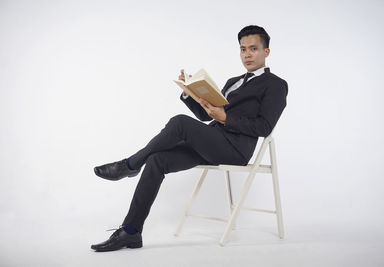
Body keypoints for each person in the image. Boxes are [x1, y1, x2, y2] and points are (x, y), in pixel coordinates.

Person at [90, 25, 288, 252]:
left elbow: (264, 126)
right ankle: (131, 231)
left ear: (267, 52)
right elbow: (206, 116)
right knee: (157, 160)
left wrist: (225, 118)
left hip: (235, 150)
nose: (247, 54)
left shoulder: (276, 85)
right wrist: (190, 92)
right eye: (243, 49)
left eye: (253, 49)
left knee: (179, 122)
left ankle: (129, 165)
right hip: (212, 140)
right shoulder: (234, 81)